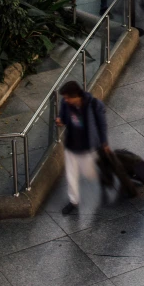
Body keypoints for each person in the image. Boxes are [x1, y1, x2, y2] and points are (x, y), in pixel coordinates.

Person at [55, 81, 110, 215]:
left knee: (89, 173)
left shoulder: (94, 105)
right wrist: (60, 121)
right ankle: (73, 201)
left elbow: (102, 124)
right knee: (71, 175)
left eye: (68, 97)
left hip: (87, 147)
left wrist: (104, 142)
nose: (65, 100)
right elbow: (63, 117)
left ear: (76, 96)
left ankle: (104, 181)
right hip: (71, 145)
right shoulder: (66, 104)